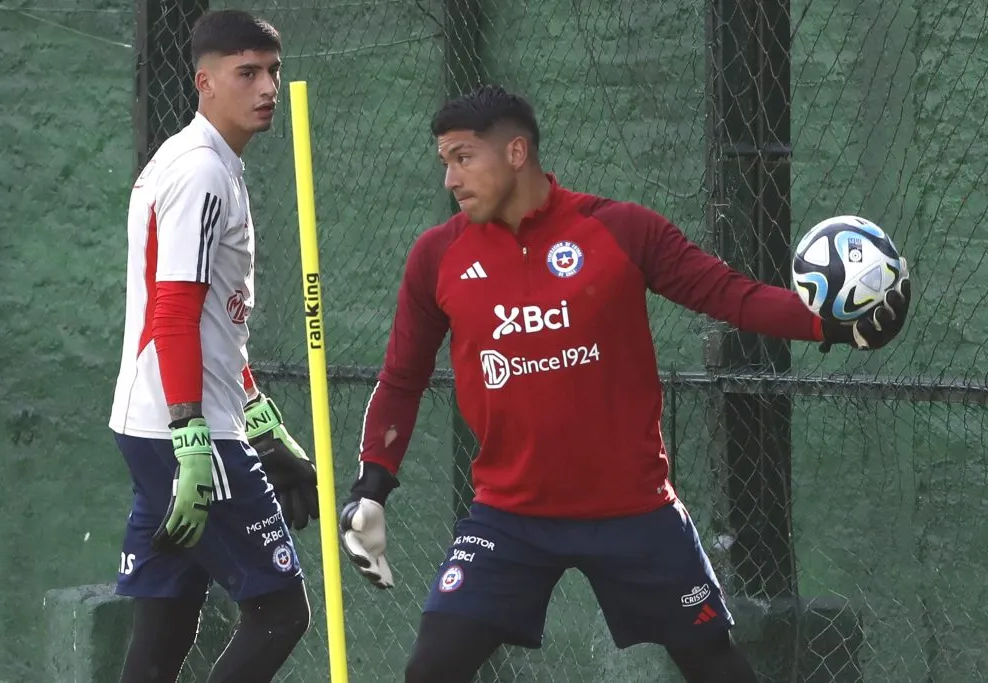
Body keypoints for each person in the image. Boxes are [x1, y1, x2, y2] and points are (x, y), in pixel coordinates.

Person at [338, 84, 910, 683]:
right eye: (445, 162)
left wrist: (833, 326)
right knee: (432, 668)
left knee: (711, 661)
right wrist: (372, 485)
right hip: (508, 514)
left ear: (515, 152)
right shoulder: (437, 256)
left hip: (633, 508)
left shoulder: (619, 229)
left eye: (463, 158)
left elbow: (728, 294)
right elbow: (402, 377)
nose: (451, 179)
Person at [108, 9, 320, 682]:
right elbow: (173, 311)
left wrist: (260, 416)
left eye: (274, 72)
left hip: (158, 425)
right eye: (247, 73)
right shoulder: (202, 170)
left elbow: (215, 325)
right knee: (281, 612)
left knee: (166, 614)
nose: (266, 88)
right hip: (186, 433)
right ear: (205, 82)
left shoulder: (204, 162)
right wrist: (194, 438)